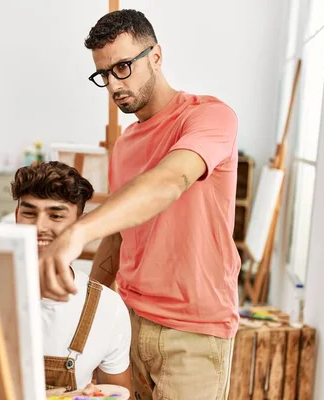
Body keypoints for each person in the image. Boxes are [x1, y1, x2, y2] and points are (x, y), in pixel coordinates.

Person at [37, 9, 240, 400]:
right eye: (104, 74)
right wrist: (88, 309)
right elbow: (117, 236)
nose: (114, 85)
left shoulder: (209, 117)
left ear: (157, 56)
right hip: (130, 320)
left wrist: (76, 232)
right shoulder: (126, 144)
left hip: (193, 332)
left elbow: (169, 181)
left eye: (123, 67)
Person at [10, 161, 132, 393]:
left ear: (80, 223)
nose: (39, 227)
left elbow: (118, 395)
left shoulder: (107, 307)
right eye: (29, 213)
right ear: (17, 216)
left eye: (56, 216)